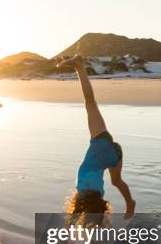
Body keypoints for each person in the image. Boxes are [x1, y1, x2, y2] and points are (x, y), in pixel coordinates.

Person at [56, 55, 136, 217]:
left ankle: (130, 202)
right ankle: (80, 66)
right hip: (102, 144)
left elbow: (79, 215)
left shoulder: (98, 194)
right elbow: (75, 216)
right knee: (90, 103)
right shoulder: (82, 191)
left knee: (115, 181)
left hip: (113, 155)